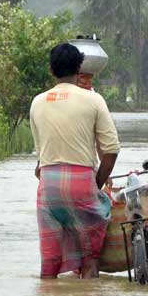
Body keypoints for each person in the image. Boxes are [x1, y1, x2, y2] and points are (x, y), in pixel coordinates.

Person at [30, 42, 121, 279]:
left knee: (49, 262)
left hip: (48, 184)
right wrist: (97, 184)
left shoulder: (37, 102)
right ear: (79, 68)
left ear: (51, 70)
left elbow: (39, 163)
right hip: (81, 182)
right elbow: (111, 149)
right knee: (90, 259)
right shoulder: (94, 100)